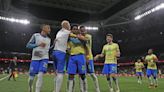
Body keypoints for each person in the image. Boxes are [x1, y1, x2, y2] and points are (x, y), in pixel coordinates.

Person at [26, 24, 51, 92]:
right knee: (31, 77)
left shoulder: (49, 39)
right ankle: (30, 87)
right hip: (36, 57)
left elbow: (48, 49)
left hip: (44, 58)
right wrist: (38, 44)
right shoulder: (35, 35)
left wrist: (54, 44)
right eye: (48, 28)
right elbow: (28, 45)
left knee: (40, 75)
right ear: (43, 28)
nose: (50, 30)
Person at [67, 25, 88, 92]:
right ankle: (70, 90)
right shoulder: (69, 39)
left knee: (82, 75)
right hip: (72, 57)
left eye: (76, 29)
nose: (75, 30)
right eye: (74, 29)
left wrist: (87, 57)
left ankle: (85, 90)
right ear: (72, 30)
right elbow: (68, 48)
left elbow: (84, 42)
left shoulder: (82, 37)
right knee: (71, 75)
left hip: (81, 56)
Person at [79, 26, 100, 92]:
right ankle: (83, 90)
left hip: (89, 57)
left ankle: (97, 89)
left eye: (84, 30)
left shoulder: (88, 36)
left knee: (92, 74)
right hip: (81, 58)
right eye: (81, 31)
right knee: (82, 75)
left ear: (86, 31)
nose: (83, 32)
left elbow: (84, 39)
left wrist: (76, 36)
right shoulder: (78, 37)